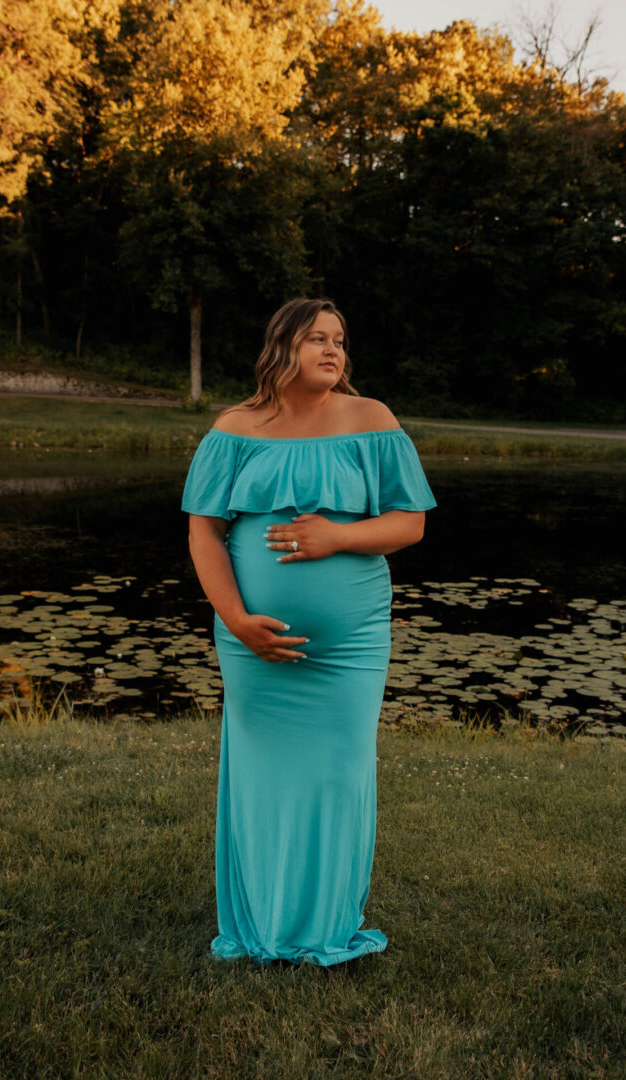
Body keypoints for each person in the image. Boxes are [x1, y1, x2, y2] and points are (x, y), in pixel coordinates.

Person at [181, 297, 436, 966]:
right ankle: (263, 926)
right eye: (317, 338)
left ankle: (324, 926)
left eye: (340, 340)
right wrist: (237, 621)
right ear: (282, 347)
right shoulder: (236, 427)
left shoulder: (371, 420)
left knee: (339, 775)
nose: (333, 350)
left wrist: (339, 536)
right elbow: (204, 531)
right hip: (251, 642)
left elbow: (410, 523)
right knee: (263, 777)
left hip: (350, 646)